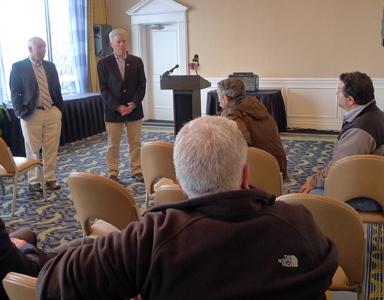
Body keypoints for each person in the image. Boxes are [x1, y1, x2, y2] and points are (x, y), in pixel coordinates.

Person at [36, 116, 338, 300]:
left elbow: (51, 283)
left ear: (179, 181)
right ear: (245, 174)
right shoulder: (298, 223)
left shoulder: (149, 239)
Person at [299, 71, 384, 211]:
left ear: (350, 100)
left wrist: (313, 181)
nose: (336, 93)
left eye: (338, 90)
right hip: (373, 182)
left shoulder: (360, 131)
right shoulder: (373, 114)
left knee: (308, 199)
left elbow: (338, 169)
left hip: (371, 195)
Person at [10, 37, 64, 191]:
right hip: (31, 113)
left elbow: (57, 89)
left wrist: (59, 109)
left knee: (51, 147)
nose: (43, 50)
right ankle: (34, 181)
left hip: (52, 111)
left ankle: (50, 178)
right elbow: (15, 93)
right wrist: (20, 113)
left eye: (44, 47)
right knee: (32, 149)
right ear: (30, 49)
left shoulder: (50, 66)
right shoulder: (19, 67)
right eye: (39, 47)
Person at [97, 28, 146, 183]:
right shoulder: (103, 64)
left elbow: (142, 85)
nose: (121, 45)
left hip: (134, 109)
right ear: (111, 44)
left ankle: (137, 170)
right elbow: (103, 89)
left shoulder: (137, 61)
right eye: (118, 42)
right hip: (113, 111)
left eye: (124, 41)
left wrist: (134, 103)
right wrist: (118, 107)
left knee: (135, 142)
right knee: (113, 144)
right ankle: (113, 172)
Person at [218, 78, 288, 179]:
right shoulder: (254, 104)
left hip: (259, 171)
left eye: (219, 96)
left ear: (225, 98)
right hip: (278, 166)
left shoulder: (231, 113)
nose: (218, 100)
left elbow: (242, 143)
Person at [0, 210, 47, 300]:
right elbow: (29, 274)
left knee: (27, 233)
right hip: (11, 288)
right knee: (72, 251)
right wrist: (25, 247)